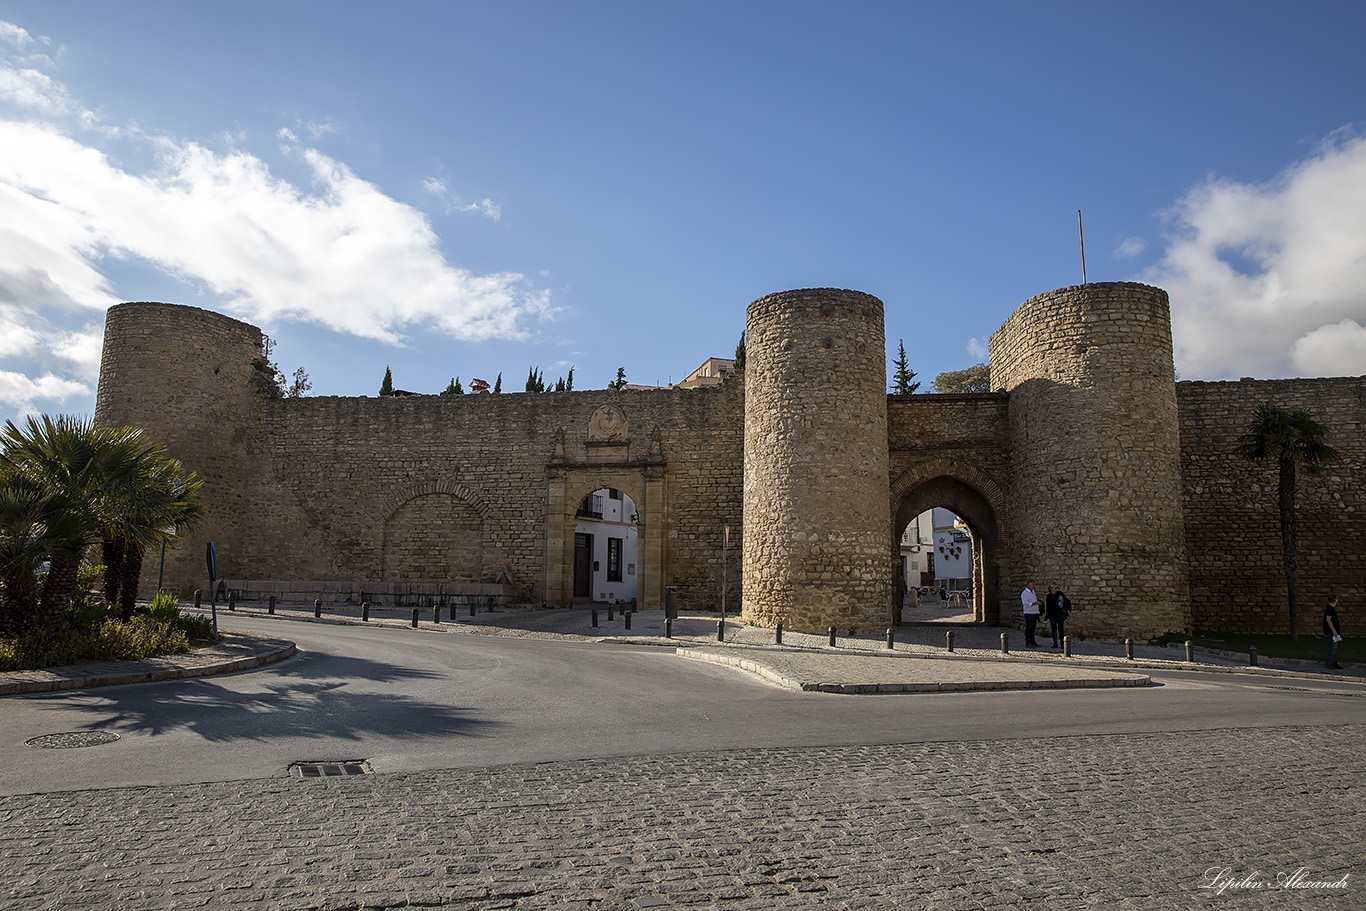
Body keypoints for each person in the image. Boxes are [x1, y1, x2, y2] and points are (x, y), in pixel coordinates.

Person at [1324, 594, 1344, 670]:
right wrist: (1333, 630)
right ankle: (1329, 662)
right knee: (1333, 647)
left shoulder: (1331, 608)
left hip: (1334, 631)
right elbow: (1328, 619)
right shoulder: (1330, 608)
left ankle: (1334, 662)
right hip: (1331, 631)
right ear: (1335, 600)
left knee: (1334, 647)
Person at [1021, 582, 1041, 647]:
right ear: (1028, 585)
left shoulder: (1033, 592)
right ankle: (1028, 642)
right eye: (1032, 585)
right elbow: (1026, 603)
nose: (1034, 586)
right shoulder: (1025, 593)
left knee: (1032, 628)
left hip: (1034, 612)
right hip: (1029, 613)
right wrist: (1035, 603)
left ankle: (1033, 641)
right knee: (1028, 628)